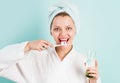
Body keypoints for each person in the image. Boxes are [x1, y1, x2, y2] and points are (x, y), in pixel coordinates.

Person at [0, 0, 101, 83]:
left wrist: (93, 81)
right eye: (57, 29)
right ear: (51, 31)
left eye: (68, 28)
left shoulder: (85, 63)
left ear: (76, 30)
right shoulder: (36, 57)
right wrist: (28, 46)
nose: (63, 34)